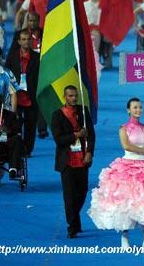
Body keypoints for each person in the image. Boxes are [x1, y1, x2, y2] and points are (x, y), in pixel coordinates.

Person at [88, 97, 144, 253]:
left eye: (140, 107)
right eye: (135, 107)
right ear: (128, 110)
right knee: (126, 205)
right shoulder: (123, 128)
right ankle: (124, 238)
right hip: (127, 169)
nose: (138, 110)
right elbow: (127, 146)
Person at [51, 85, 95, 239]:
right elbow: (59, 139)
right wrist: (76, 135)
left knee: (82, 193)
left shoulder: (84, 111)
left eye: (75, 95)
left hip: (83, 159)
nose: (74, 98)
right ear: (65, 97)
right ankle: (72, 227)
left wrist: (90, 153)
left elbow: (91, 135)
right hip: (67, 161)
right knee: (69, 196)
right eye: (70, 96)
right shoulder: (57, 115)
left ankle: (75, 220)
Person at [5, 29, 40, 156]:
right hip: (16, 97)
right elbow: (7, 73)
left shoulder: (37, 57)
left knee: (30, 126)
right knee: (15, 125)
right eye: (23, 39)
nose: (26, 42)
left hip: (31, 96)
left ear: (31, 41)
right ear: (19, 41)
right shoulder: (12, 55)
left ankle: (28, 150)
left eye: (28, 39)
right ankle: (16, 148)